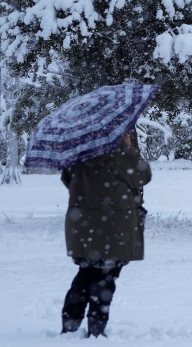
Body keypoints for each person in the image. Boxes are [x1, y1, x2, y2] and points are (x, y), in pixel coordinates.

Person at [60, 130, 152, 337]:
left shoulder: (77, 151)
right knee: (105, 277)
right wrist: (128, 149)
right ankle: (96, 328)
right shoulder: (119, 151)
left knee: (86, 274)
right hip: (114, 227)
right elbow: (143, 176)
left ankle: (70, 325)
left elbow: (68, 180)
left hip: (83, 224)